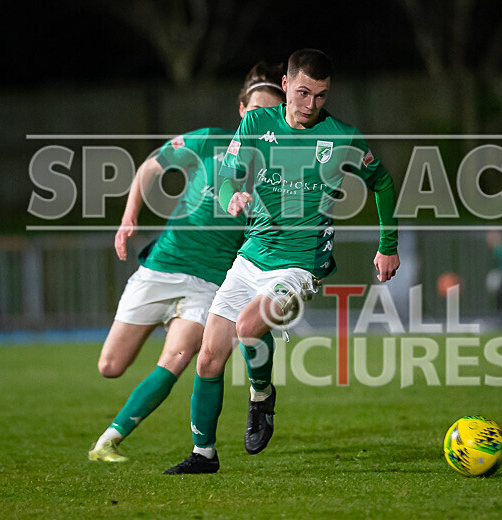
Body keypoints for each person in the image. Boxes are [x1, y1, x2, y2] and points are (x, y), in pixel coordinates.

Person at [164, 49, 401, 475]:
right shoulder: (256, 123)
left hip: (301, 264)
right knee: (208, 358)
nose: (311, 105)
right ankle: (204, 455)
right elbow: (228, 174)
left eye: (322, 96)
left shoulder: (341, 137)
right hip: (252, 254)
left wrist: (388, 244)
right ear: (286, 85)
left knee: (249, 326)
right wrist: (230, 194)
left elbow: (381, 182)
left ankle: (261, 396)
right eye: (304, 92)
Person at [87, 63, 286, 463]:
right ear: (242, 110)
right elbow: (150, 167)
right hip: (162, 266)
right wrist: (130, 216)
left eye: (272, 115)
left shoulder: (279, 172)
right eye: (256, 112)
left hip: (210, 284)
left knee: (177, 359)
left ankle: (107, 442)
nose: (262, 122)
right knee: (110, 366)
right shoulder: (209, 141)